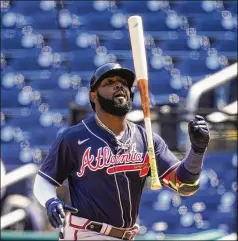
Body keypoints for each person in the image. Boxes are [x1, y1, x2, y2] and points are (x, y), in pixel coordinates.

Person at [33, 62, 210, 240]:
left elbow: (185, 186)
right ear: (93, 96)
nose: (119, 85)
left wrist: (197, 150)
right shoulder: (73, 138)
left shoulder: (146, 139)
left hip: (127, 236)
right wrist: (51, 200)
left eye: (123, 83)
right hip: (87, 233)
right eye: (109, 82)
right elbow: (43, 181)